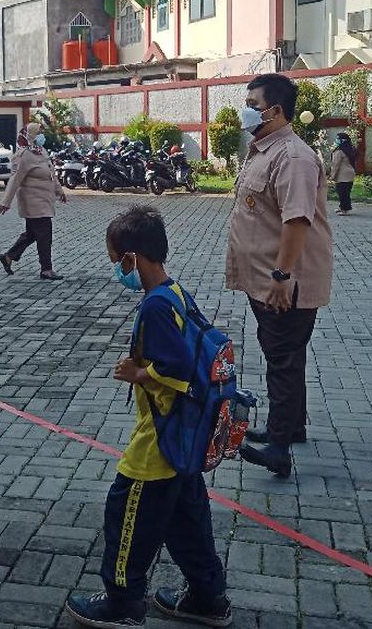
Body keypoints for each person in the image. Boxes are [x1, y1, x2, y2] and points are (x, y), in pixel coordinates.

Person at [65, 206, 231, 629]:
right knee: (186, 519)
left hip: (160, 436)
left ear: (133, 258)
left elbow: (175, 367)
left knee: (126, 517)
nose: (117, 270)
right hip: (185, 435)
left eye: (117, 261)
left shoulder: (155, 307)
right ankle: (207, 597)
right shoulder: (174, 293)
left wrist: (138, 372)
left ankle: (122, 603)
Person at [225, 74, 333, 478]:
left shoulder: (293, 157)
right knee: (286, 354)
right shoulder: (265, 150)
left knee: (282, 359)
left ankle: (279, 449)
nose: (246, 108)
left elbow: (297, 221)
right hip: (267, 278)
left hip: (284, 281)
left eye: (252, 102)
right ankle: (289, 426)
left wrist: (282, 275)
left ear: (275, 111)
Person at [0, 123, 67, 281]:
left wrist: (60, 191)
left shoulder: (41, 151)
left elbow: (51, 174)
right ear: (30, 136)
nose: (42, 136)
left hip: (45, 200)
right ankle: (46, 270)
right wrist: (6, 201)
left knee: (32, 234)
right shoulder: (24, 154)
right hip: (33, 201)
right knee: (45, 235)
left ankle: (9, 256)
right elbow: (15, 179)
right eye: (39, 133)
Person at [329, 132, 357, 215]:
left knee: (342, 193)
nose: (336, 140)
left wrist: (332, 176)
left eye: (338, 139)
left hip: (342, 175)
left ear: (342, 140)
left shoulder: (339, 151)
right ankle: (343, 208)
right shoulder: (350, 149)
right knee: (346, 192)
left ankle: (345, 210)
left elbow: (335, 165)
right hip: (350, 174)